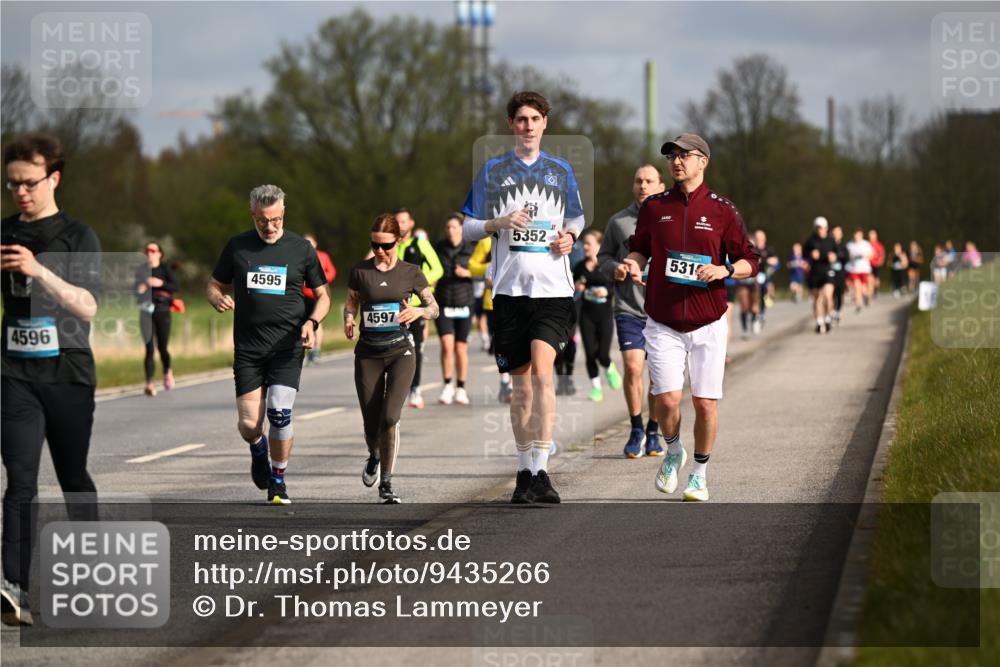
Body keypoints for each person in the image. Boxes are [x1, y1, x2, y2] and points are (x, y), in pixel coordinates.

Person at [617, 133, 759, 502]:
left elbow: (750, 260)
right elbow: (639, 250)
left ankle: (699, 473)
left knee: (705, 404)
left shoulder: (722, 210)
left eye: (684, 156)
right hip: (663, 321)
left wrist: (725, 270)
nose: (676, 162)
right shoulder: (654, 208)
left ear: (703, 161)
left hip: (708, 321)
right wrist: (630, 265)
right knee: (665, 400)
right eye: (672, 157)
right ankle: (673, 450)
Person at [462, 90, 585, 504]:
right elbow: (467, 227)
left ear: (545, 123)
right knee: (522, 389)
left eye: (535, 119)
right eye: (521, 119)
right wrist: (498, 222)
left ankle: (542, 472)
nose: (528, 126)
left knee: (543, 376)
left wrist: (570, 237)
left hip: (553, 292)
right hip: (510, 293)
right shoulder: (493, 170)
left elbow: (577, 218)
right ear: (511, 124)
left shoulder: (560, 170)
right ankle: (523, 471)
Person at [1, 133, 101, 626]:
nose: (20, 192)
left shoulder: (78, 236)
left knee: (72, 477)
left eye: (29, 183)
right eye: (12, 184)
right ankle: (13, 588)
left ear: (53, 178)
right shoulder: (3, 232)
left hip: (68, 374)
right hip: (14, 373)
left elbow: (89, 306)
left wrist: (38, 271)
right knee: (19, 481)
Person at [207, 185, 329, 505]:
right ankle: (258, 447)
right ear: (253, 215)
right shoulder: (238, 246)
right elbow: (213, 284)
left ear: (283, 213)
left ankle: (278, 479)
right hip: (249, 350)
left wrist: (312, 322)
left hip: (287, 348)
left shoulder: (301, 248)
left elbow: (323, 296)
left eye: (276, 219)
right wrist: (217, 297)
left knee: (279, 412)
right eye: (263, 220)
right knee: (249, 425)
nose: (270, 226)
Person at [345, 214, 438, 503]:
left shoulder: (411, 272)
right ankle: (374, 454)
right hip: (368, 354)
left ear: (398, 242)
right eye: (375, 245)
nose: (380, 251)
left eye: (386, 245)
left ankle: (386, 483)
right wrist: (348, 319)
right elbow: (351, 303)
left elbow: (433, 307)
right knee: (371, 424)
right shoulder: (360, 271)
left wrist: (418, 311)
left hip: (401, 352)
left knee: (389, 418)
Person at [598, 164, 666, 457]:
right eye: (638, 181)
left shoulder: (670, 219)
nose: (643, 186)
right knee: (634, 367)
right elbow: (603, 257)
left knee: (659, 376)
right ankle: (636, 427)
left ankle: (653, 430)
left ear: (661, 186)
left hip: (663, 309)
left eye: (649, 181)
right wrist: (615, 268)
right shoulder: (618, 222)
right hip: (628, 307)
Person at [394, 208, 443, 409]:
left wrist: (418, 283)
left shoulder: (420, 243)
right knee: (393, 348)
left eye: (404, 221)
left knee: (415, 348)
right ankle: (395, 389)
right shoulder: (390, 245)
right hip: (393, 305)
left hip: (415, 306)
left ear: (411, 223)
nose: (400, 226)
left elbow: (437, 269)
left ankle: (415, 389)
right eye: (397, 222)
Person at [573, 230, 622, 402]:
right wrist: (577, 286)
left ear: (599, 245)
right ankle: (596, 388)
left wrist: (607, 292)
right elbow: (575, 284)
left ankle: (609, 368)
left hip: (605, 316)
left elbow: (616, 287)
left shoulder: (607, 266)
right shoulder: (580, 267)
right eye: (584, 244)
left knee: (602, 354)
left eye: (589, 244)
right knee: (589, 354)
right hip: (586, 315)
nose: (585, 247)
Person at [433, 213, 475, 406]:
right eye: (448, 227)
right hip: (443, 302)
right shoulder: (439, 248)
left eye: (454, 227)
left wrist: (468, 272)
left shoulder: (471, 247)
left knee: (460, 348)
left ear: (461, 229)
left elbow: (486, 268)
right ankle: (448, 384)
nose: (451, 231)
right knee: (446, 345)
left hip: (465, 302)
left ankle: (461, 388)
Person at [136, 241, 179, 396]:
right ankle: (150, 383)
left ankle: (167, 371)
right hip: (146, 311)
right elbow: (134, 290)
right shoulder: (142, 270)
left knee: (162, 348)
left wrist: (160, 283)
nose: (150, 253)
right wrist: (142, 288)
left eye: (153, 250)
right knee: (149, 348)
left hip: (162, 311)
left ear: (160, 254)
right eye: (147, 250)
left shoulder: (165, 269)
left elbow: (176, 287)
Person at [302, 233, 336, 365]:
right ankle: (306, 349)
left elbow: (331, 271)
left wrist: (319, 281)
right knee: (302, 322)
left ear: (315, 244)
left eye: (310, 242)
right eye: (305, 243)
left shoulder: (322, 256)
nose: (308, 245)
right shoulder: (299, 256)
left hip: (317, 296)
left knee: (316, 322)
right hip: (302, 295)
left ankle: (316, 349)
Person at [804, 216, 837, 334]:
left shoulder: (831, 240)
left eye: (823, 227)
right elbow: (804, 255)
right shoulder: (810, 241)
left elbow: (838, 253)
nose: (821, 230)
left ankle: (828, 319)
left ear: (826, 228)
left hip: (827, 270)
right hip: (815, 272)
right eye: (818, 228)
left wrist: (834, 257)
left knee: (828, 295)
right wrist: (810, 255)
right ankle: (819, 322)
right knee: (817, 298)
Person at [846, 228, 874, 313]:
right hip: (854, 269)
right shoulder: (850, 245)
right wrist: (850, 256)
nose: (857, 237)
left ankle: (866, 296)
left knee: (863, 288)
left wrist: (865, 256)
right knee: (856, 286)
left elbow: (872, 255)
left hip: (864, 269)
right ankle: (858, 304)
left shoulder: (866, 244)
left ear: (861, 235)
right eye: (855, 235)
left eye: (858, 235)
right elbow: (846, 256)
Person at [830, 226, 848, 324]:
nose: (837, 234)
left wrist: (838, 256)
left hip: (841, 272)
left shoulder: (844, 245)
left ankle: (838, 311)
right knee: (831, 292)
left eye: (839, 232)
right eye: (835, 232)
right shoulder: (829, 244)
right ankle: (832, 310)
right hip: (830, 272)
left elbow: (846, 258)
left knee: (839, 293)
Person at [867, 229, 885, 300]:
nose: (871, 236)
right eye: (870, 234)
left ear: (876, 235)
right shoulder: (867, 244)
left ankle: (875, 290)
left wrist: (880, 260)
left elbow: (882, 254)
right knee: (870, 279)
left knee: (876, 280)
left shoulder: (879, 245)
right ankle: (870, 293)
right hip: (869, 264)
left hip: (876, 264)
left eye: (873, 234)